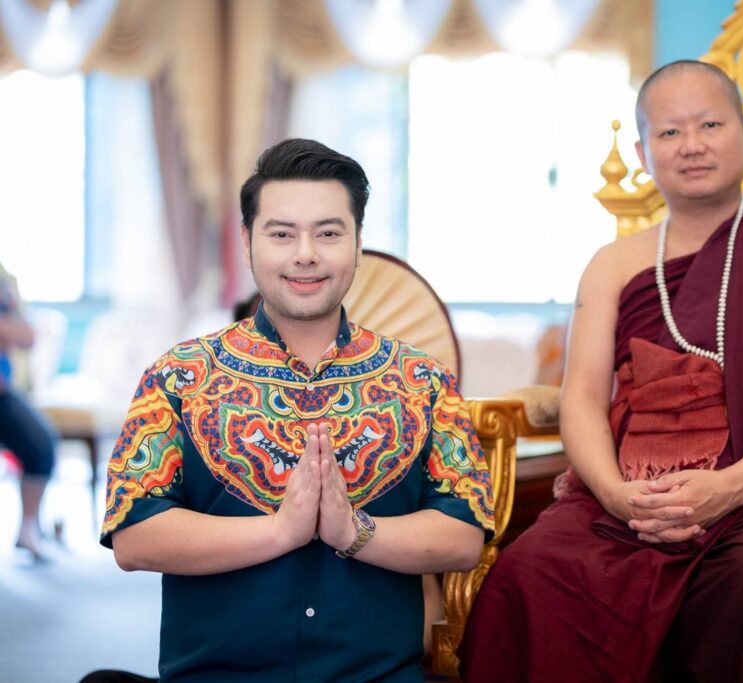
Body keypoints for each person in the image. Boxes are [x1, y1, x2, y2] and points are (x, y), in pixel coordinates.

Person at [458, 61, 743, 682]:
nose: (692, 144)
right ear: (643, 153)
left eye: (710, 124)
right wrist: (615, 496)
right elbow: (583, 398)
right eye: (670, 132)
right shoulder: (613, 264)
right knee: (528, 570)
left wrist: (733, 485)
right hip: (626, 493)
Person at [90, 139, 494, 683]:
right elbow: (134, 536)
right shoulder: (179, 377)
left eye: (328, 233)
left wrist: (354, 531)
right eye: (281, 234)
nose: (305, 253)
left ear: (358, 244)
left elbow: (464, 536)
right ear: (247, 242)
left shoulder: (422, 381)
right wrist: (281, 532)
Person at [0, 262, 57, 562]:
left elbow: (27, 337)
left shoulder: (4, 279)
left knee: (41, 443)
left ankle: (28, 529)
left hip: (3, 393)